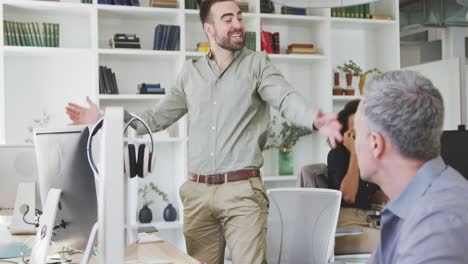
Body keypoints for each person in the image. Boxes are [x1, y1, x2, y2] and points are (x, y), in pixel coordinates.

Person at [65, 0, 342, 263]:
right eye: (228, 18)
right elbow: (155, 118)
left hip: (242, 192)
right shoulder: (190, 73)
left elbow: (286, 98)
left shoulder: (257, 64)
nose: (237, 24)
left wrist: (316, 119)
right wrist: (105, 119)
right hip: (197, 193)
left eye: (239, 17)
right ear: (208, 29)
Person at [354, 70, 468, 263]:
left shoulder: (437, 224)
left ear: (375, 144)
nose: (354, 145)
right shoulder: (410, 204)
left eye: (356, 134)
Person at [327, 99, 387, 255]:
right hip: (346, 228)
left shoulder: (369, 159)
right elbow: (349, 196)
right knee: (393, 243)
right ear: (347, 133)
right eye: (356, 126)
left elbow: (375, 195)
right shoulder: (337, 155)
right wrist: (354, 152)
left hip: (366, 223)